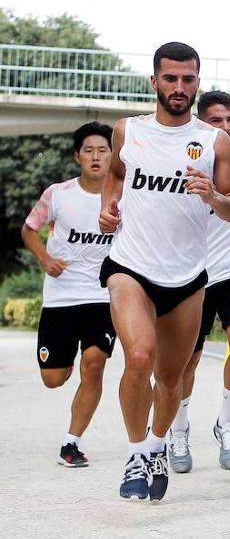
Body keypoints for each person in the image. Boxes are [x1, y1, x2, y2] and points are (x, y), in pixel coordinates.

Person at [99, 42, 230, 502]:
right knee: (138, 357)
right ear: (155, 82)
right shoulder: (128, 131)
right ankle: (136, 452)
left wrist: (212, 198)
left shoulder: (215, 141)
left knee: (172, 377)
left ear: (197, 82)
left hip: (187, 277)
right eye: (171, 79)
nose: (180, 88)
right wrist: (108, 206)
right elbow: (117, 176)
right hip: (131, 266)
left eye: (188, 79)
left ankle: (158, 446)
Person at [167, 91, 230, 473]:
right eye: (216, 121)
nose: (226, 127)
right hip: (191, 274)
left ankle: (227, 423)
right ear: (201, 122)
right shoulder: (185, 159)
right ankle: (178, 429)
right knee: (185, 362)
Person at [22, 122, 116, 468]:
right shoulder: (57, 194)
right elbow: (29, 230)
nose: (96, 157)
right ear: (78, 157)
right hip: (61, 296)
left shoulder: (123, 197)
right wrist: (45, 260)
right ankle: (65, 359)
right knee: (53, 379)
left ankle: (71, 443)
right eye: (89, 151)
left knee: (94, 366)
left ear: (112, 156)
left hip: (103, 294)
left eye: (103, 150)